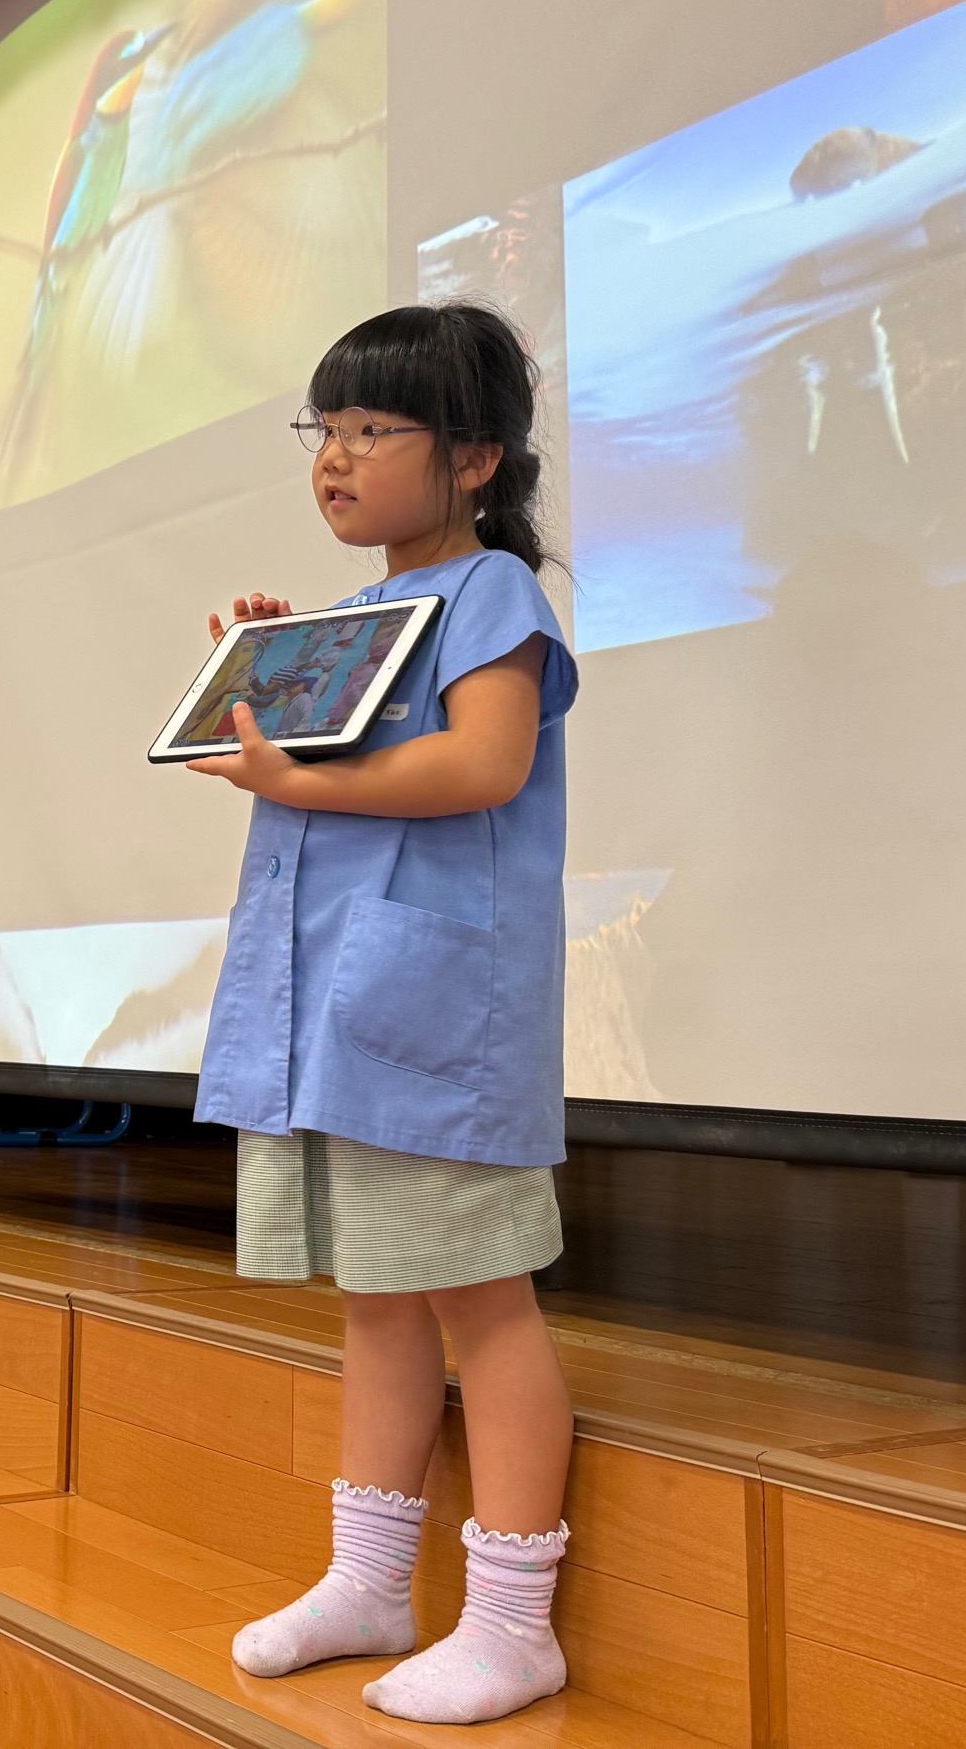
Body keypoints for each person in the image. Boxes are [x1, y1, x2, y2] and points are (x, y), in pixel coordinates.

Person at [189, 301, 580, 1725]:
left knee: (485, 1300)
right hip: (339, 1014)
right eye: (327, 429)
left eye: (372, 428)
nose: (337, 457)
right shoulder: (362, 614)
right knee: (376, 1300)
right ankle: (371, 1579)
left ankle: (516, 1621)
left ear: (474, 458)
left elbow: (483, 761)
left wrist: (297, 780)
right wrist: (280, 686)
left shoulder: (493, 597)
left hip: (433, 1016)